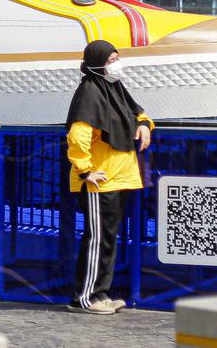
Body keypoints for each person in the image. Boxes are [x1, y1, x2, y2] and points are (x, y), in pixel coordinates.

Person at [65, 39, 154, 315]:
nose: (117, 65)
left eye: (117, 59)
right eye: (111, 60)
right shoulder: (89, 92)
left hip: (119, 178)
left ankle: (100, 293)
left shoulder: (115, 89)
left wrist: (143, 125)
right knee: (98, 239)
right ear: (97, 64)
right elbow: (78, 135)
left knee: (108, 239)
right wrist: (85, 170)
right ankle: (86, 297)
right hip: (99, 182)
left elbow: (139, 113)